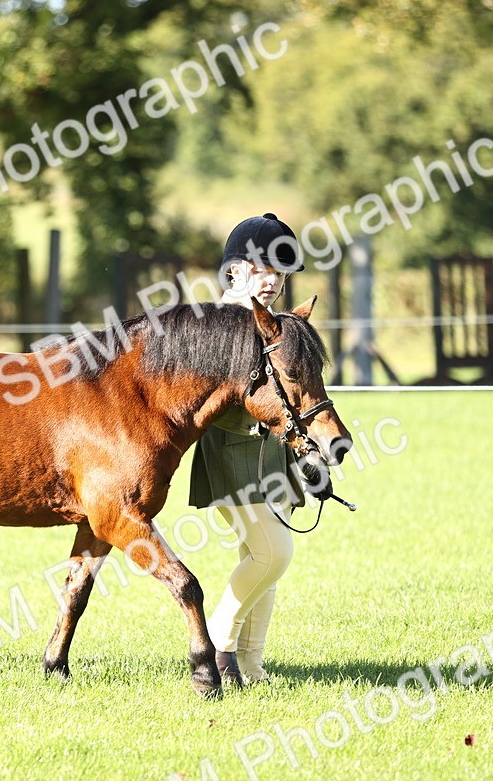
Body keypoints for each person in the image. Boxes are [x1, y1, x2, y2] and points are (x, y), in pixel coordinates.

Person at [188, 212, 309, 687]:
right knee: (274, 553)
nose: (273, 282)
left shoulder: (274, 323)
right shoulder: (219, 324)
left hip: (273, 459)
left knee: (261, 564)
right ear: (235, 270)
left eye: (280, 273)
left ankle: (253, 669)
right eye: (264, 270)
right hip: (231, 456)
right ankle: (219, 644)